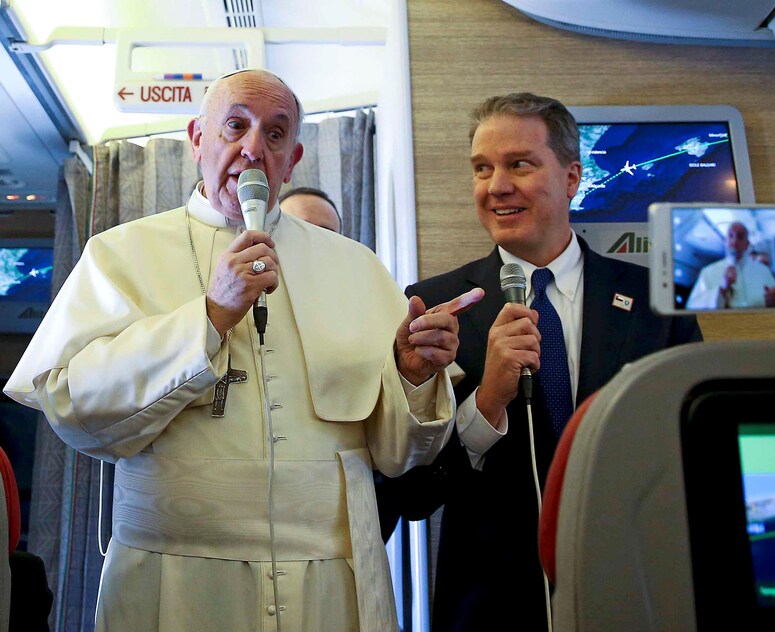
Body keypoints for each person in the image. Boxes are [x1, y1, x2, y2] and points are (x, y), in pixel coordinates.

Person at [3, 68, 482, 632]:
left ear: (292, 158)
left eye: (275, 134)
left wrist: (412, 375)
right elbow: (73, 410)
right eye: (235, 126)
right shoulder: (119, 255)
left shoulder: (356, 267)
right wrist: (208, 318)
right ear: (197, 138)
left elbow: (399, 455)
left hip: (330, 582)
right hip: (174, 582)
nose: (253, 148)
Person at [376, 93, 702, 631]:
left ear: (572, 177)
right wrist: (486, 403)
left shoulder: (656, 301)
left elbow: (692, 458)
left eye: (519, 164)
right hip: (490, 606)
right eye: (482, 169)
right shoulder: (432, 308)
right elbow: (411, 495)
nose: (496, 186)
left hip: (632, 592)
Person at [686, 221, 775, 309]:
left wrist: (774, 304)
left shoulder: (763, 271)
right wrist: (722, 289)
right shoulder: (708, 273)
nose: (734, 241)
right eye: (730, 236)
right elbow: (692, 308)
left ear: (747, 244)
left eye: (740, 237)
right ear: (725, 242)